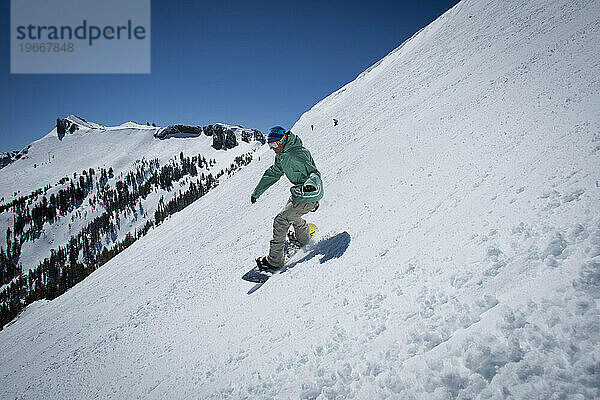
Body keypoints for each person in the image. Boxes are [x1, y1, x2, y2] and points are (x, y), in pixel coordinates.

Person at [251, 126, 323, 271]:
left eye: (274, 144)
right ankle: (304, 238)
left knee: (281, 220)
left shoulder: (299, 154)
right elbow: (273, 173)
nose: (272, 148)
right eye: (270, 145)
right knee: (292, 216)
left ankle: (274, 262)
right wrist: (257, 192)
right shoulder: (282, 155)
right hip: (297, 194)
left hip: (308, 195)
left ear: (283, 140)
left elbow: (314, 173)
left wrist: (310, 186)